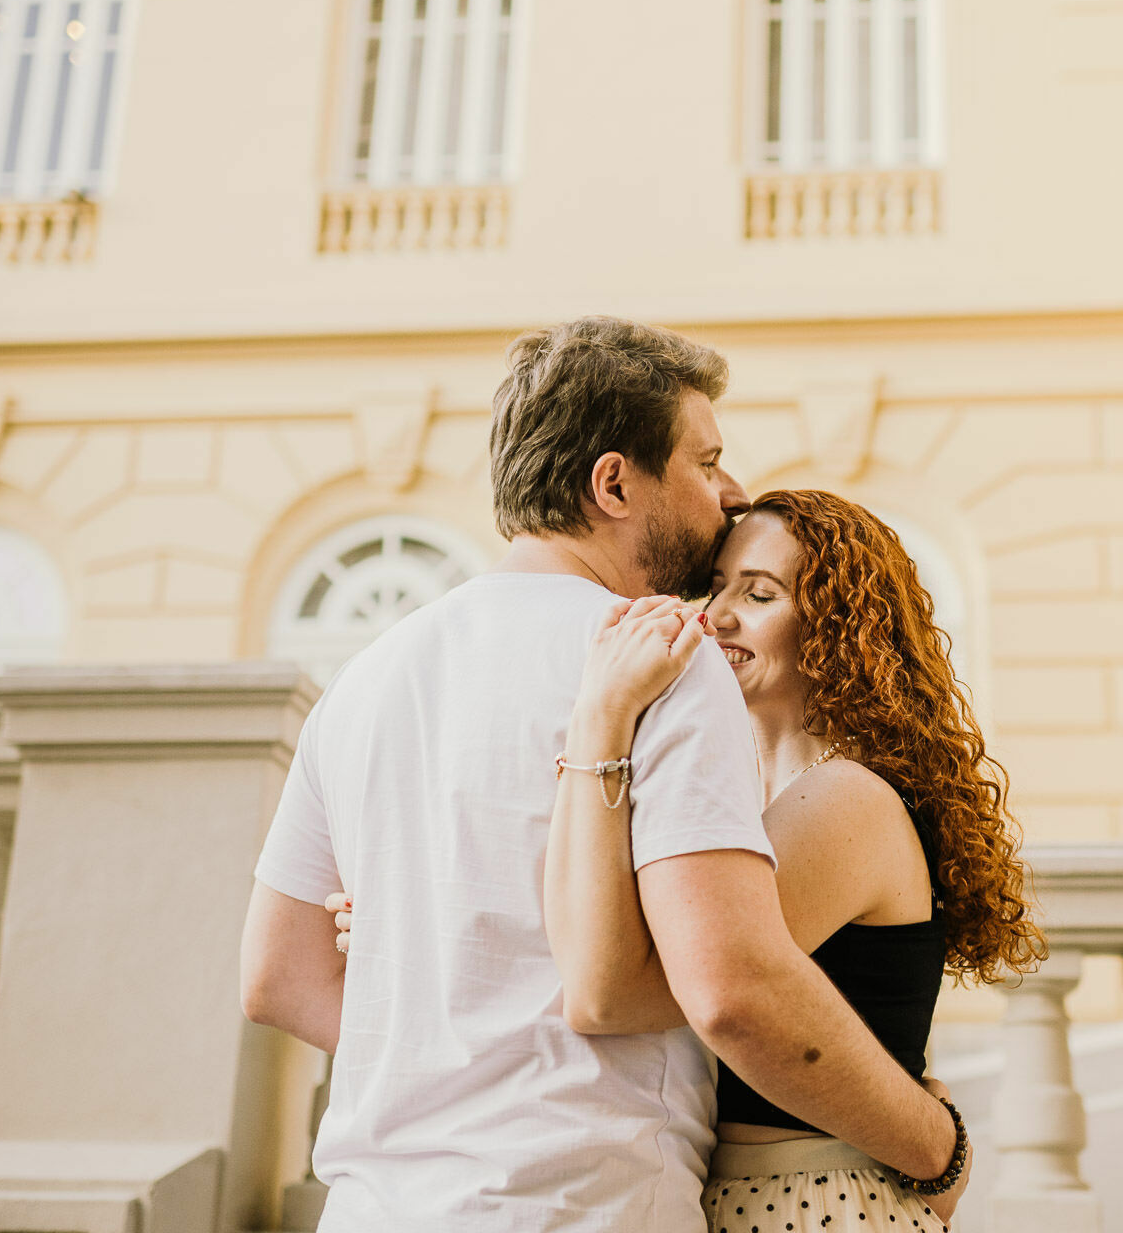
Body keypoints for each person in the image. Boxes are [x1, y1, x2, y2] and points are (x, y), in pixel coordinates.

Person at [239, 315, 963, 1232]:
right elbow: (732, 992)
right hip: (580, 1202)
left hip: (377, 1207)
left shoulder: (364, 679)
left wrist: (454, 1038)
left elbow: (277, 978)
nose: (728, 489)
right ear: (615, 482)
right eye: (706, 461)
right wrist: (940, 1144)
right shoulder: (660, 654)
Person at [333, 489, 1047, 1232]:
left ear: (842, 626)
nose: (718, 615)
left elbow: (616, 984)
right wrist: (420, 916)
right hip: (743, 1192)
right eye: (717, 588)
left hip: (812, 1200)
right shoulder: (753, 799)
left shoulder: (848, 800)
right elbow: (620, 932)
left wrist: (602, 716)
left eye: (760, 593)